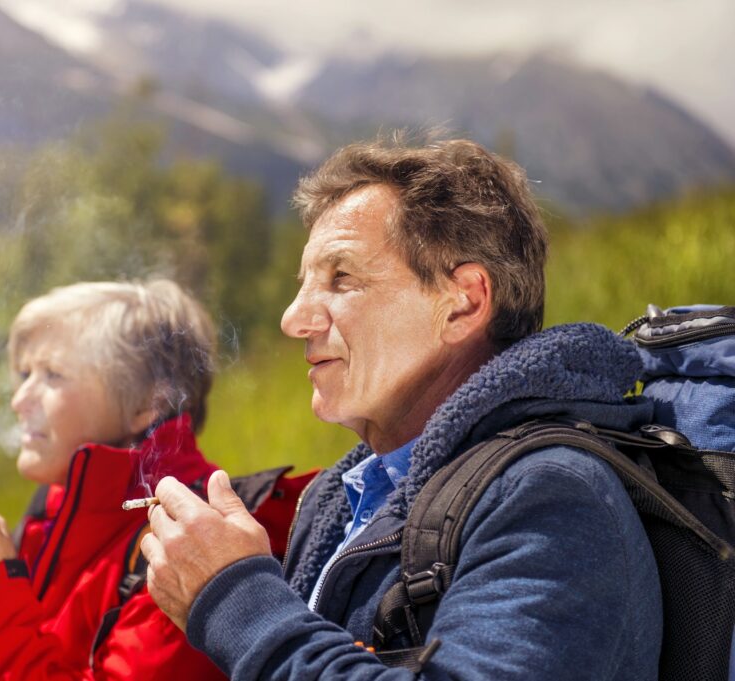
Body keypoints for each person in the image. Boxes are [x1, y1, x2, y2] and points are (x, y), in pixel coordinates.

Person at [140, 138, 663, 680]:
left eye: (342, 279)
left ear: (463, 302)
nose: (294, 320)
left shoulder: (551, 495)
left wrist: (234, 598)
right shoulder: (338, 499)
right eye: (304, 286)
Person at [0, 279, 312, 680]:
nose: (19, 401)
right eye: (25, 373)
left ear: (148, 403)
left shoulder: (189, 540)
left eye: (53, 375)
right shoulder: (52, 517)